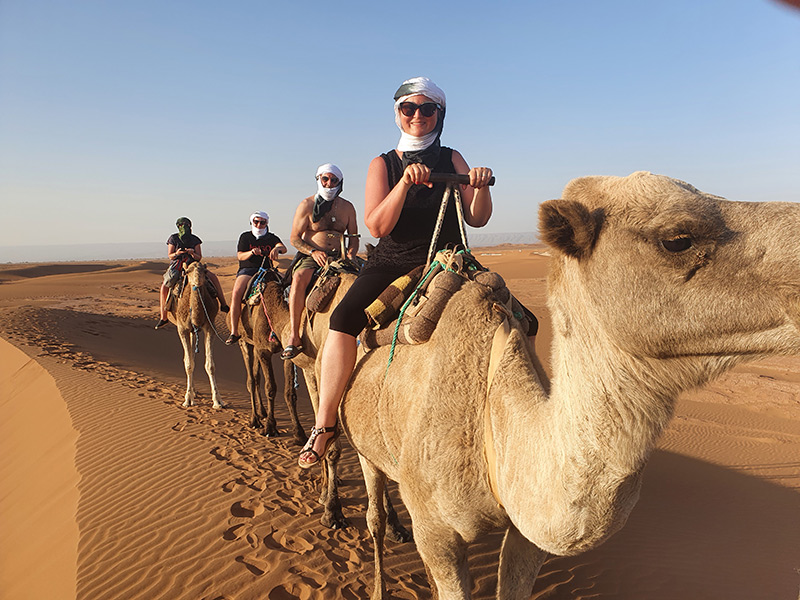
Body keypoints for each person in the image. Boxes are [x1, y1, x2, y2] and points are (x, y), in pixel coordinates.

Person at [298, 76, 494, 468]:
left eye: (427, 108)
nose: (418, 115)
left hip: (447, 258)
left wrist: (481, 185)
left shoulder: (453, 158)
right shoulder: (383, 163)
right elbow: (377, 226)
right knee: (342, 319)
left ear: (440, 114)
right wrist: (404, 183)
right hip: (393, 260)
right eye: (409, 108)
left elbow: (477, 218)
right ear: (398, 114)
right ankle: (324, 423)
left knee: (511, 315)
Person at [282, 163, 360, 360]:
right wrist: (313, 251)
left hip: (340, 257)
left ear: (340, 182)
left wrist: (351, 254)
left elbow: (354, 236)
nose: (329, 183)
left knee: (366, 280)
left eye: (334, 180)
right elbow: (294, 238)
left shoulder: (348, 207)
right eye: (325, 179)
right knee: (299, 279)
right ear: (318, 180)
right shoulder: (306, 205)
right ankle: (294, 335)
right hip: (313, 257)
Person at [155, 217, 229, 330]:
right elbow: (170, 255)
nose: (184, 227)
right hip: (178, 266)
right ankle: (164, 317)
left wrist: (193, 253)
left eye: (186, 225)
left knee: (213, 277)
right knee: (164, 286)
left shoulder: (195, 240)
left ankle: (223, 304)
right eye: (181, 225)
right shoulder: (173, 238)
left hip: (193, 265)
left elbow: (199, 257)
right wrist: (177, 253)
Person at [226, 211, 287, 345]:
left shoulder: (271, 237)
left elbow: (283, 248)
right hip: (248, 270)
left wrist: (277, 249)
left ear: (267, 223)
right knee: (236, 293)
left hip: (268, 270)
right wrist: (252, 252)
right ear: (252, 222)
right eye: (256, 222)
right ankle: (234, 331)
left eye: (262, 222)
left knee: (290, 285)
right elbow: (240, 256)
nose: (259, 224)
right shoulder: (245, 237)